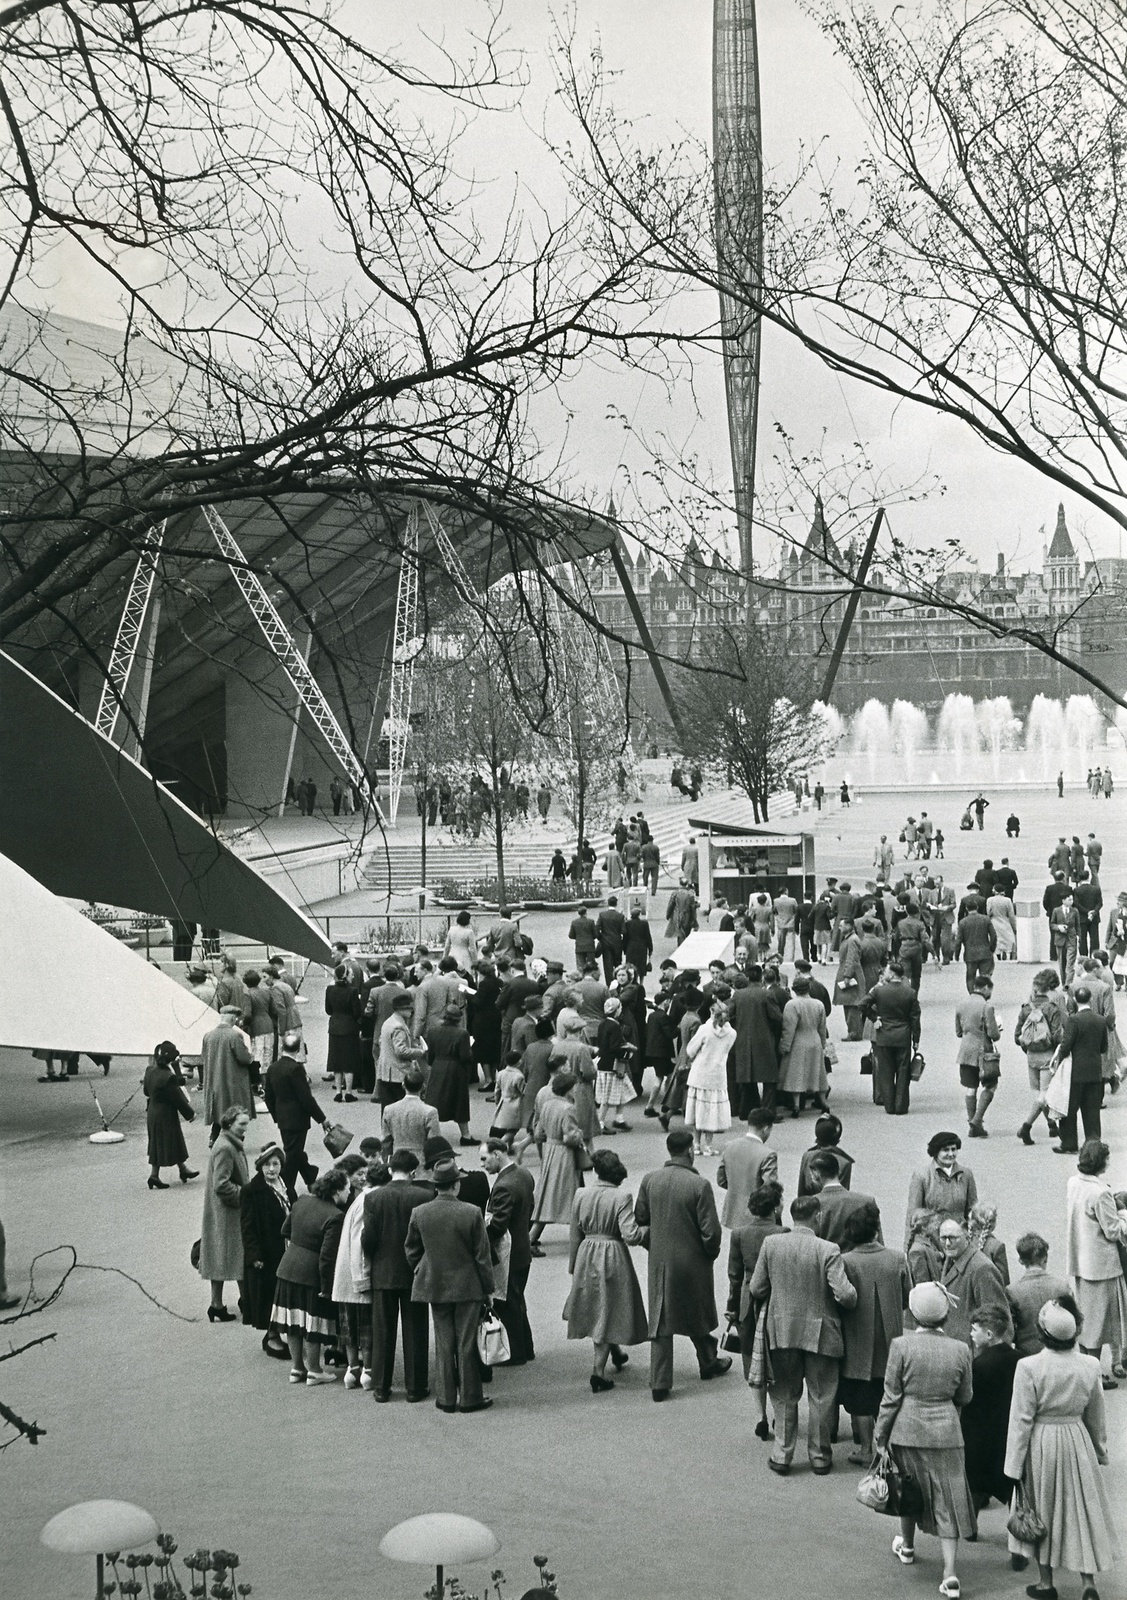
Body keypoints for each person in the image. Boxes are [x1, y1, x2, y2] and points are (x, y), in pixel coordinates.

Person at [1005, 1296, 1121, 1596]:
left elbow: (1021, 1420)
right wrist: (1099, 1450)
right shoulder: (1090, 1364)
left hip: (1042, 1441)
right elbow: (1096, 1414)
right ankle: (1087, 1583)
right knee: (1081, 1509)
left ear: (1042, 1334)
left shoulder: (1029, 1366)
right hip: (1076, 1437)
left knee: (1043, 1508)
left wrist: (1013, 1466)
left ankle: (1046, 1582)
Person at [874, 1281, 976, 1596]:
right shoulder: (961, 1349)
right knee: (948, 1501)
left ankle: (906, 1546)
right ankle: (949, 1573)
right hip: (946, 1433)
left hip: (906, 1430)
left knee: (907, 1489)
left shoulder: (901, 1346)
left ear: (914, 1314)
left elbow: (891, 1397)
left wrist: (881, 1435)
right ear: (946, 1315)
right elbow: (966, 1395)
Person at [749, 1193, 857, 1474]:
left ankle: (783, 1454)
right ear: (817, 1217)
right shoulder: (828, 1249)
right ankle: (820, 1456)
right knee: (822, 1396)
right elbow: (845, 1294)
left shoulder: (771, 1244)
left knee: (784, 1394)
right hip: (821, 1332)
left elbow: (757, 1288)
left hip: (781, 1330)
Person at [634, 1130, 731, 1401]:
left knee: (662, 1318)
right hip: (693, 1262)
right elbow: (711, 1231)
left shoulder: (649, 1180)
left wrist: (653, 1246)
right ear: (690, 1151)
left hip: (660, 1261)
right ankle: (707, 1360)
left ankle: (661, 1382)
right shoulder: (699, 1185)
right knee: (695, 1310)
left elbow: (640, 1219)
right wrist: (709, 1255)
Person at [404, 1157, 495, 1413]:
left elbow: (411, 1249)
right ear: (456, 1185)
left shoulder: (420, 1213)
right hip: (468, 1286)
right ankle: (470, 1397)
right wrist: (488, 1289)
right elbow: (482, 1257)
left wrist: (421, 1267)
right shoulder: (471, 1212)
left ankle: (445, 1398)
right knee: (466, 1342)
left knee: (444, 1342)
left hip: (435, 1284)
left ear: (436, 1186)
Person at [564, 1147, 649, 1392]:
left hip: (586, 1252)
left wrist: (574, 1267)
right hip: (612, 1254)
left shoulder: (581, 1193)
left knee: (598, 1304)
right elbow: (631, 1235)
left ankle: (616, 1352)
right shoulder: (621, 1197)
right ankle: (598, 1373)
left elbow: (574, 1233)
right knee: (608, 1306)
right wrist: (648, 1231)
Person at [838, 1200, 910, 1464]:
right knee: (887, 1394)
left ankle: (866, 1448)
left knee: (859, 1395)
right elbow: (907, 1297)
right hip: (891, 1337)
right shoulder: (897, 1258)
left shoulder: (846, 1261)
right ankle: (886, 1447)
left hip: (857, 1337)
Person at [361, 1149, 433, 1403]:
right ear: (413, 1171)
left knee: (383, 1331)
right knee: (416, 1330)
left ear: (391, 1169)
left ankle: (381, 1386)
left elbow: (367, 1239)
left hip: (384, 1272)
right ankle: (416, 1387)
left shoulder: (375, 1198)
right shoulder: (425, 1195)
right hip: (415, 1272)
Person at [271, 1166, 349, 1385]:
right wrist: (327, 1287)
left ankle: (297, 1369)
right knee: (312, 1324)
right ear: (336, 1191)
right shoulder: (335, 1216)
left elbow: (285, 1230)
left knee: (293, 1322)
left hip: (287, 1268)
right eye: (347, 1189)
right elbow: (327, 1257)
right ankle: (314, 1369)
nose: (349, 1193)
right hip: (311, 1274)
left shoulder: (302, 1201)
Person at [1065, 1140, 1127, 1385]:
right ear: (1101, 1163)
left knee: (1087, 1318)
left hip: (1081, 1260)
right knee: (1100, 1323)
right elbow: (1113, 1231)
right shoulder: (1100, 1193)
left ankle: (1098, 1366)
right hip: (1101, 1266)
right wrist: (1123, 1215)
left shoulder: (1074, 1182)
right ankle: (1095, 1374)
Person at [727, 1179, 786, 1433]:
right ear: (774, 1208)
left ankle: (760, 1417)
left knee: (752, 1357)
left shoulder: (739, 1233)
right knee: (778, 1358)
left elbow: (734, 1274)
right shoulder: (782, 1234)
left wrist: (732, 1306)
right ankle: (778, 1414)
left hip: (747, 1300)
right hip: (776, 1300)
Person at [483, 1139, 536, 1366]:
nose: (484, 1165)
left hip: (510, 1252)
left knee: (508, 1303)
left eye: (485, 1159)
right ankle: (526, 1347)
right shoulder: (523, 1174)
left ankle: (516, 1353)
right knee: (518, 1299)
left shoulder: (504, 1186)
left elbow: (497, 1226)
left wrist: (480, 1236)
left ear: (497, 1154)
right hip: (523, 1247)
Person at [960, 1304, 1018, 1510]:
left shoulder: (978, 1365)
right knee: (1014, 1490)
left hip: (980, 1436)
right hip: (1009, 1432)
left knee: (976, 1486)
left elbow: (968, 1399)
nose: (971, 1334)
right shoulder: (1021, 1359)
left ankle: (971, 1528)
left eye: (975, 1330)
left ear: (990, 1334)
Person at [332, 1160, 383, 1388]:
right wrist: (362, 1278)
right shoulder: (369, 1202)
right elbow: (360, 1242)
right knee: (365, 1329)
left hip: (345, 1276)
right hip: (356, 1275)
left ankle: (352, 1370)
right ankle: (368, 1372)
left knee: (348, 1328)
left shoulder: (359, 1199)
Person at [198, 1105, 251, 1322]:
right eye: (242, 1124)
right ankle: (245, 1300)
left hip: (222, 1211)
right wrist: (245, 1196)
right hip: (229, 1211)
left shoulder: (227, 1143)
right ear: (229, 1124)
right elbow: (221, 1184)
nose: (245, 1128)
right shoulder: (226, 1148)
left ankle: (217, 1304)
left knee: (220, 1256)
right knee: (238, 1255)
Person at [239, 1143, 292, 1359]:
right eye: (267, 1165)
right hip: (266, 1254)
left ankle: (276, 1333)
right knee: (269, 1294)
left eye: (276, 1164)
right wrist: (254, 1256)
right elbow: (247, 1227)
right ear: (260, 1167)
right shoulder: (252, 1191)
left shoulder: (285, 1185)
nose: (272, 1169)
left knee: (282, 1294)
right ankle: (272, 1337)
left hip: (285, 1249)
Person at [528, 1071, 587, 1252]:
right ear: (569, 1089)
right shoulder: (568, 1108)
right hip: (564, 1155)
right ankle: (580, 1238)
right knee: (567, 1194)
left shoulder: (547, 1105)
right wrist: (580, 1135)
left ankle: (531, 1238)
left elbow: (538, 1134)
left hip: (550, 1151)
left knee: (548, 1194)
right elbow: (570, 1137)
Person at [264, 1032, 327, 1193]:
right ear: (299, 1049)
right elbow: (306, 1098)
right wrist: (322, 1119)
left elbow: (269, 1096)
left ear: (282, 1047)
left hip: (283, 1118)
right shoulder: (296, 1069)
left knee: (294, 1150)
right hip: (298, 1119)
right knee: (293, 1155)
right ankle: (287, 1187)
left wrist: (276, 1116)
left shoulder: (273, 1068)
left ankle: (310, 1175)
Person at [1047, 987, 1108, 1151]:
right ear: (1089, 999)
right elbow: (1103, 1047)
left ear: (1074, 999)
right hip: (1094, 1071)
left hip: (1075, 1071)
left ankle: (1069, 1143)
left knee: (1069, 1109)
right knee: (1092, 1111)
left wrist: (1060, 1059)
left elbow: (1066, 1046)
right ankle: (1093, 1143)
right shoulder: (1101, 1020)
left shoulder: (1073, 1020)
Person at [937, 1215, 1012, 1348]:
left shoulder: (982, 1268)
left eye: (953, 1238)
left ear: (967, 1237)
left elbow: (998, 1319)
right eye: (943, 1238)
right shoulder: (950, 1261)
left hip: (973, 1354)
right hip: (956, 1349)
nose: (947, 1243)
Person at [1014, 970, 1070, 1146]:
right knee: (1044, 1095)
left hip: (1031, 1057)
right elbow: (1057, 1036)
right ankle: (1026, 1126)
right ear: (1047, 990)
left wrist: (1028, 1046)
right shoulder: (1051, 1009)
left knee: (1038, 1094)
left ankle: (1051, 1125)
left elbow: (1017, 1036)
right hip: (1048, 1056)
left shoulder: (1025, 1009)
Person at [863, 960, 921, 1117]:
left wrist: (874, 1018)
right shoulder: (910, 992)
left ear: (893, 974)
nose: (885, 974)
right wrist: (916, 1039)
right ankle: (901, 1105)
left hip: (884, 1034)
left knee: (886, 1071)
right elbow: (915, 1018)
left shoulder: (879, 991)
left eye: (887, 971)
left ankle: (889, 1105)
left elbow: (862, 1004)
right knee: (903, 1071)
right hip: (903, 1035)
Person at [905, 1133, 978, 1248]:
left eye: (953, 1149)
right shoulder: (921, 1176)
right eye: (945, 1150)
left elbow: (973, 1212)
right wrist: (908, 1246)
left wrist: (974, 1240)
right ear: (936, 1152)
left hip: (960, 1241)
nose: (951, 1154)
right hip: (933, 1243)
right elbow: (913, 1215)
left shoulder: (966, 1174)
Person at [683, 997, 735, 1157]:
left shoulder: (704, 1030)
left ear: (712, 1013)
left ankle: (696, 1144)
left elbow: (690, 1050)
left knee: (698, 1109)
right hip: (718, 1075)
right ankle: (708, 1145)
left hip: (700, 1073)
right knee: (711, 1111)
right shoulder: (732, 1033)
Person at [142, 1040, 197, 1189]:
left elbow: (146, 1091)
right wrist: (190, 1114)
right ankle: (154, 1176)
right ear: (171, 1059)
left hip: (153, 1112)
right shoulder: (168, 1077)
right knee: (167, 1141)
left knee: (162, 1142)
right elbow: (177, 1099)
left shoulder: (150, 1070)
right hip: (165, 1115)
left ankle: (182, 1169)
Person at [1008, 1233, 1071, 1359]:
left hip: (1027, 1354)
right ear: (1045, 1258)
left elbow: (1010, 1330)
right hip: (1060, 1351)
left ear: (1021, 1260)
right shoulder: (1062, 1286)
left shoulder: (1012, 1291)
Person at [954, 976, 1002, 1139]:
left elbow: (959, 1032)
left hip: (965, 1051)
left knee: (970, 1087)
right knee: (991, 1085)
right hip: (983, 1052)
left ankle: (973, 1124)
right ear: (986, 988)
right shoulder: (987, 1007)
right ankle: (977, 1119)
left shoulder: (961, 1004)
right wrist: (998, 1029)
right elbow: (993, 1034)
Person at [716, 1109, 777, 1228]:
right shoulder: (768, 1154)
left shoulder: (729, 1146)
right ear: (766, 1129)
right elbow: (770, 1187)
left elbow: (721, 1180)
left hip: (733, 1212)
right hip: (757, 1216)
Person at [422, 1002, 475, 1142]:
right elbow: (465, 1057)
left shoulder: (433, 1031)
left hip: (438, 1066)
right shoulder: (462, 1033)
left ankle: (428, 1133)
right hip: (456, 1069)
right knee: (459, 1102)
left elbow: (430, 1055)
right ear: (458, 1019)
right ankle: (465, 1135)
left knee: (434, 1099)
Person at [778, 974, 829, 1116]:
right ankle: (823, 1102)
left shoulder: (792, 1005)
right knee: (818, 1073)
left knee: (797, 1074)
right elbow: (822, 1027)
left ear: (794, 989)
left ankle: (796, 1105)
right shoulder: (819, 1004)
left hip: (798, 1041)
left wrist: (784, 1046)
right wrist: (823, 1043)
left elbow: (789, 1028)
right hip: (815, 1039)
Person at [201, 1008, 254, 1142]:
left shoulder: (208, 1036)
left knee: (218, 1108)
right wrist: (251, 1057)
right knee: (233, 1110)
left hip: (213, 1079)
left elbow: (203, 1056)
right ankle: (235, 1139)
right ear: (233, 1019)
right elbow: (243, 1058)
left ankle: (214, 1137)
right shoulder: (235, 1036)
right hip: (232, 1079)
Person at [808, 1151, 880, 1246]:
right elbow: (878, 1243)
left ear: (815, 1174)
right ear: (838, 1171)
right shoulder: (867, 1201)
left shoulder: (812, 1204)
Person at [381, 1068, 441, 1160]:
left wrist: (387, 1162)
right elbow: (434, 1142)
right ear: (423, 1087)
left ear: (403, 1085)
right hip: (421, 1159)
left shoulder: (389, 1109)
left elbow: (386, 1141)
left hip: (398, 1158)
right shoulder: (430, 1111)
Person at [595, 997, 633, 1135]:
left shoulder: (603, 1024)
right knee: (607, 1096)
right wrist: (627, 1049)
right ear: (616, 1010)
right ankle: (600, 1122)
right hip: (613, 1065)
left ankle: (619, 1118)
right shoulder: (615, 1026)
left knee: (622, 1090)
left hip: (604, 1062)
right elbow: (615, 1047)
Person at [324, 964, 361, 1103]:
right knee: (349, 1061)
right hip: (349, 1027)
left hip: (334, 1026)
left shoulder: (330, 989)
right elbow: (357, 1012)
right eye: (351, 974)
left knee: (336, 1060)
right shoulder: (352, 991)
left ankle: (338, 1091)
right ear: (346, 976)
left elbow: (328, 1010)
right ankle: (349, 1092)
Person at [797, 1112, 854, 1197]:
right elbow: (842, 1195)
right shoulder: (844, 1162)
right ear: (837, 1138)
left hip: (810, 1206)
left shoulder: (807, 1156)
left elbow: (801, 1193)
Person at [954, 896, 996, 994]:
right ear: (977, 907)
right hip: (985, 952)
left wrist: (956, 954)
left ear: (966, 909)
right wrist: (991, 948)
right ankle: (984, 994)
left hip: (970, 954)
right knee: (985, 976)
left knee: (970, 977)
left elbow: (958, 940)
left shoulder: (963, 922)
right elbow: (993, 935)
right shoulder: (985, 919)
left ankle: (972, 994)